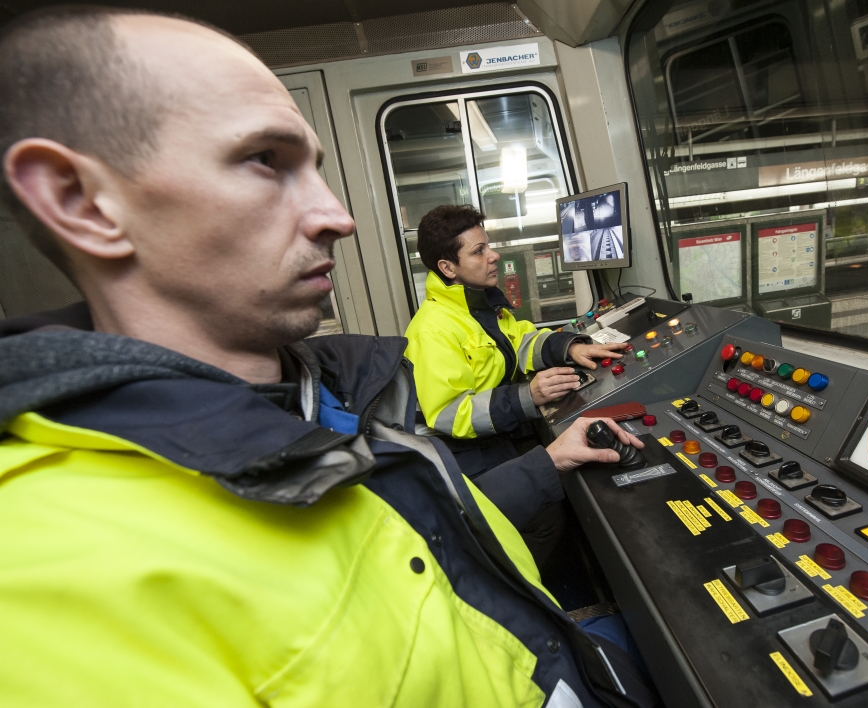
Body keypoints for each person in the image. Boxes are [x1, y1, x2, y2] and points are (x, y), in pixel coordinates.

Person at [0, 7, 655, 707]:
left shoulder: (349, 393)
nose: (336, 216)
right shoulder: (42, 573)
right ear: (82, 202)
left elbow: (421, 534)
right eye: (264, 161)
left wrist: (549, 460)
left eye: (313, 167)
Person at [404, 206, 628, 563]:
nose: (494, 256)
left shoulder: (480, 307)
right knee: (547, 516)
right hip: (456, 454)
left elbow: (522, 343)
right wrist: (530, 396)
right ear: (448, 268)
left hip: (488, 439)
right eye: (478, 251)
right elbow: (450, 415)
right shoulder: (433, 329)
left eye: (488, 246)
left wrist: (571, 345)